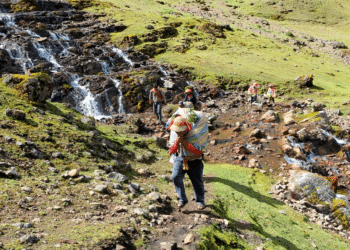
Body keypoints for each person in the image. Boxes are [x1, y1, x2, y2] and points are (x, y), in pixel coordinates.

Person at [168, 116, 206, 210]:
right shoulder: (175, 135)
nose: (177, 132)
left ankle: (200, 201)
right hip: (180, 159)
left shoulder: (194, 135)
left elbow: (198, 152)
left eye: (179, 131)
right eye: (176, 131)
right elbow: (171, 151)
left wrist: (186, 144)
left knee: (197, 181)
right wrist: (176, 143)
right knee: (175, 177)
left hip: (195, 161)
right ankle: (182, 199)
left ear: (185, 129)